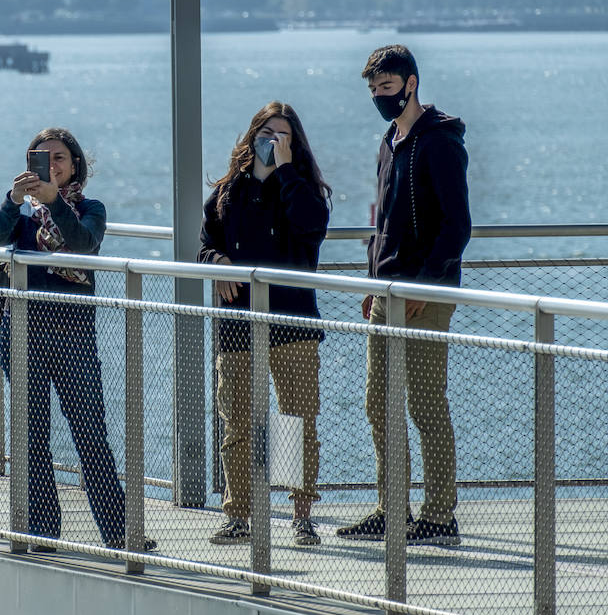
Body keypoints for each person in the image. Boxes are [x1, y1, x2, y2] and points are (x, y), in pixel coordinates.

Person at [0, 127, 155, 553]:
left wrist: (53, 203)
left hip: (74, 334)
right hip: (22, 332)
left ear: (74, 164)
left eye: (59, 157)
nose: (51, 165)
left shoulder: (90, 208)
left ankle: (119, 533)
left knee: (90, 433)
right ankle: (44, 532)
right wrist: (12, 199)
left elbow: (84, 244)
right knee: (32, 436)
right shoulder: (21, 212)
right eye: (41, 158)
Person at [337, 45, 470, 547]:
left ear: (411, 84)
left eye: (386, 88)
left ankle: (439, 516)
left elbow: (457, 225)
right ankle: (392, 509)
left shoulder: (440, 142)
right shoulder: (389, 141)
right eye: (373, 90)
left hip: (426, 293)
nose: (379, 97)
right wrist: (373, 283)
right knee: (379, 403)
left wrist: (426, 285)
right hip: (387, 292)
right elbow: (382, 220)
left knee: (425, 404)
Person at [200, 102, 331, 547]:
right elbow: (204, 246)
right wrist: (217, 263)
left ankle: (301, 516)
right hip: (238, 324)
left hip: (292, 323)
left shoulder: (302, 187)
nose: (272, 142)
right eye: (265, 133)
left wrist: (286, 172)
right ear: (250, 135)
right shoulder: (227, 191)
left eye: (283, 136)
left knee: (295, 423)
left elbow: (312, 227)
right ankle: (239, 515)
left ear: (295, 144)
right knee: (238, 425)